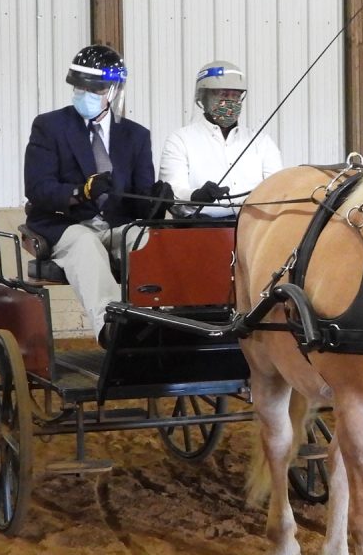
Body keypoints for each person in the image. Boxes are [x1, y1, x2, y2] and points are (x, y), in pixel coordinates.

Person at [24, 44, 157, 345]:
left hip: (117, 225)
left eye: (94, 88)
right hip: (66, 224)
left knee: (148, 241)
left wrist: (157, 201)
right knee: (86, 245)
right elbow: (37, 187)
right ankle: (111, 327)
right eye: (80, 86)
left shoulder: (137, 136)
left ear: (113, 91)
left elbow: (142, 196)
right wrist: (80, 192)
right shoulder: (49, 127)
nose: (85, 93)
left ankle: (160, 319)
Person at [157, 60, 282, 218]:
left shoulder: (262, 142)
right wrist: (195, 196)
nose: (230, 102)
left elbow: (278, 190)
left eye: (236, 95)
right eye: (223, 94)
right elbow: (172, 193)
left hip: (254, 231)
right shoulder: (180, 140)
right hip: (200, 230)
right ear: (204, 97)